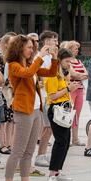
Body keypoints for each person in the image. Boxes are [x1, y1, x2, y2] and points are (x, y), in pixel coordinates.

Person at [3, 35, 58, 181]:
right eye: (29, 47)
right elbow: (27, 74)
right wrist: (40, 56)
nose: (32, 50)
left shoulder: (29, 64)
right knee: (18, 151)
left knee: (29, 151)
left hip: (35, 110)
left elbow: (51, 73)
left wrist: (54, 59)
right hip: (23, 111)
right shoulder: (13, 65)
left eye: (32, 48)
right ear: (20, 48)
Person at [44, 48, 80, 181]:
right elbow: (52, 96)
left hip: (65, 108)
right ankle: (52, 173)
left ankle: (58, 170)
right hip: (56, 109)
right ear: (59, 60)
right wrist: (69, 89)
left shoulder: (64, 73)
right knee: (60, 141)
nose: (69, 64)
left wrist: (70, 86)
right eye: (67, 61)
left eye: (71, 61)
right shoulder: (53, 74)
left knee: (66, 141)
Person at [33, 31, 57, 172]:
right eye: (54, 40)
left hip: (50, 95)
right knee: (47, 127)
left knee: (49, 128)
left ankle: (42, 154)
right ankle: (40, 155)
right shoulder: (40, 56)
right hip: (44, 96)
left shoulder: (50, 56)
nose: (56, 43)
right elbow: (36, 73)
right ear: (47, 42)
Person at [64, 41, 88, 146]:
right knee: (68, 113)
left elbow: (86, 73)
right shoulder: (68, 62)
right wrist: (80, 75)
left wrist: (79, 76)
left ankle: (75, 139)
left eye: (77, 48)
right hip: (71, 89)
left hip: (80, 89)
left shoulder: (78, 61)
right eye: (75, 48)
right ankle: (67, 139)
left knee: (77, 114)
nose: (77, 50)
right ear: (69, 49)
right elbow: (73, 74)